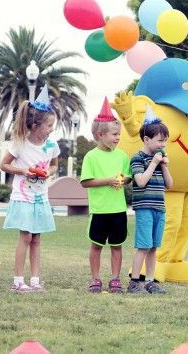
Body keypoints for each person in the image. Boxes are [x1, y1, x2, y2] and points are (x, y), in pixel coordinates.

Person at [0, 85, 59, 293]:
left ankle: (35, 279)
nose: (51, 129)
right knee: (25, 237)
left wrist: (48, 172)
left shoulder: (51, 145)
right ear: (34, 125)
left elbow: (54, 165)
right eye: (49, 125)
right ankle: (18, 280)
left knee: (36, 238)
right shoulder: (20, 144)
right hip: (23, 196)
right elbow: (4, 165)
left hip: (41, 197)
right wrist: (24, 171)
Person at [80, 97, 132, 294]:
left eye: (119, 134)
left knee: (117, 246)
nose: (118, 138)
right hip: (99, 210)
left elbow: (128, 177)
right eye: (115, 134)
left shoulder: (122, 156)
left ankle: (116, 279)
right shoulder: (91, 157)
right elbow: (86, 182)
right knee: (96, 246)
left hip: (118, 209)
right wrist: (108, 180)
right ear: (101, 135)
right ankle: (95, 279)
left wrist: (122, 180)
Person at [127, 106, 173, 294]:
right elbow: (140, 181)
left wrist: (163, 166)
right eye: (160, 141)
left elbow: (169, 184)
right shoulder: (137, 158)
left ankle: (150, 282)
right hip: (144, 207)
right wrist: (153, 163)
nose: (163, 145)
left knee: (154, 246)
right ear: (147, 139)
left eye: (165, 141)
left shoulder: (161, 159)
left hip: (159, 207)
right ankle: (134, 282)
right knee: (143, 245)